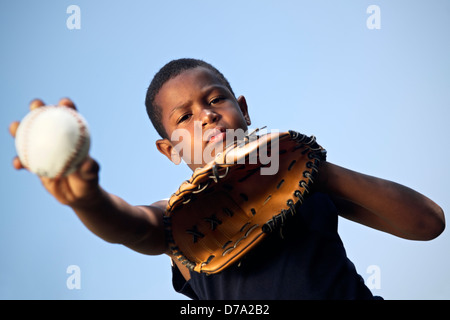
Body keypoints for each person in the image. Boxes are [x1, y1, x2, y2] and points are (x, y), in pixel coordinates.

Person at [9, 58, 445, 300]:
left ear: (243, 109)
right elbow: (133, 224)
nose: (207, 114)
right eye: (184, 117)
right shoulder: (180, 217)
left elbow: (427, 223)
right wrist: (89, 201)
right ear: (170, 150)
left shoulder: (301, 176)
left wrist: (320, 170)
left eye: (215, 98)